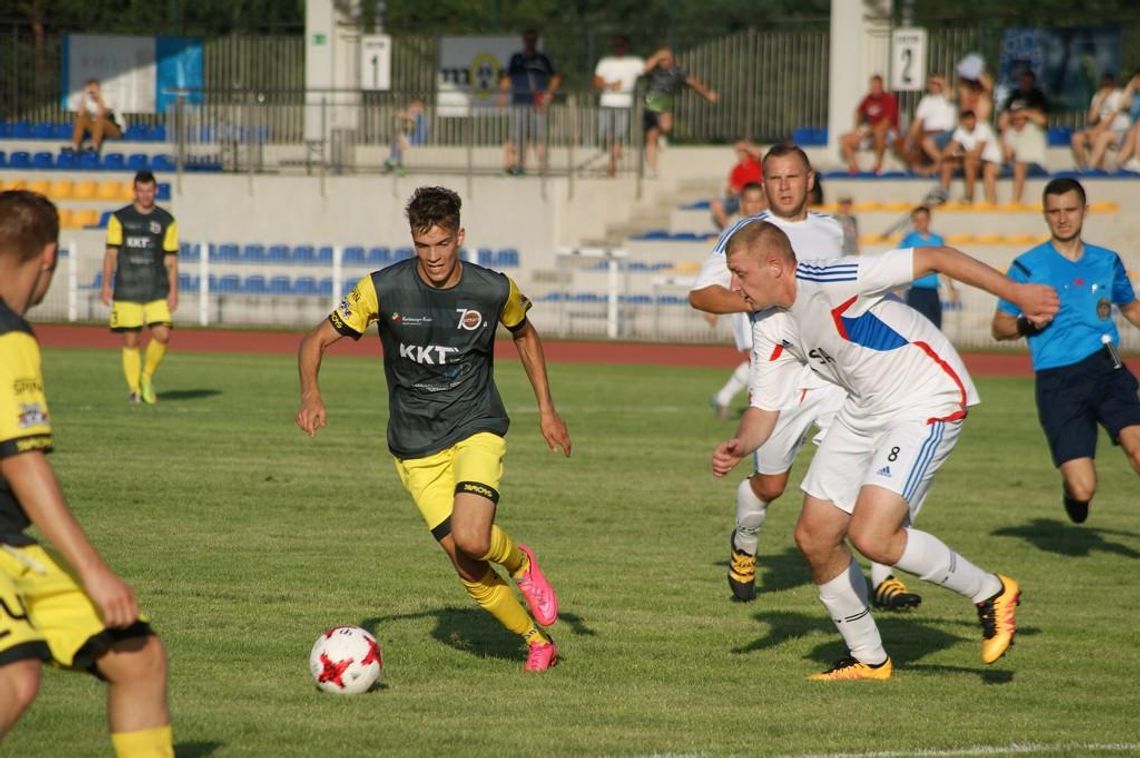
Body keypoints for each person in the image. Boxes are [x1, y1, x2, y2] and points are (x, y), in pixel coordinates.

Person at [712, 220, 1059, 680]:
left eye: (739, 273)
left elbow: (936, 258)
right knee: (814, 537)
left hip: (925, 398)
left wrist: (1018, 294)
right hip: (864, 408)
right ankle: (869, 658)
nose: (733, 286)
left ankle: (992, 592)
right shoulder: (768, 323)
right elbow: (765, 409)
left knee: (873, 536)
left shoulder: (832, 280)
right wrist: (741, 443)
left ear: (775, 266)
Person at [296, 186, 571, 672]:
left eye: (442, 244)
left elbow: (524, 333)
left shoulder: (492, 289)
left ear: (459, 236)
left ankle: (522, 564)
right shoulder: (383, 288)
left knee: (472, 537)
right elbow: (315, 340)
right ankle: (536, 641)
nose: (434, 257)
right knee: (467, 563)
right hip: (414, 447)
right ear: (413, 241)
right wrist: (311, 393)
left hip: (475, 425)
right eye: (423, 246)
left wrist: (546, 409)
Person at [690, 144, 921, 612]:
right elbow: (701, 294)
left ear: (810, 179)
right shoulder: (747, 232)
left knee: (871, 466)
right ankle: (746, 538)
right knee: (770, 485)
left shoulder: (835, 229)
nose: (784, 186)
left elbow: (852, 286)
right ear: (764, 182)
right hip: (778, 377)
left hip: (834, 376)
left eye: (792, 177)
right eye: (774, 178)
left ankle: (885, 576)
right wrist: (758, 301)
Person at [0, 190, 172, 754]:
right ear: (49, 257)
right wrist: (95, 572)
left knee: (136, 655)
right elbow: (22, 461)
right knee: (14, 681)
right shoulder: (9, 336)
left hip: (12, 551)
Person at [992, 178, 1140, 524]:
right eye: (1054, 211)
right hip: (1057, 380)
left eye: (1070, 210)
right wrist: (1026, 325)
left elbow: (1130, 307)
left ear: (1084, 212)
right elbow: (999, 328)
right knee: (1083, 487)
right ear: (1045, 215)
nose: (1062, 218)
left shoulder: (1107, 262)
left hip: (1107, 365)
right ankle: (1073, 493)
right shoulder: (1028, 267)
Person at [100, 171, 179, 405]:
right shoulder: (120, 218)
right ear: (134, 191)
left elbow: (172, 260)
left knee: (162, 334)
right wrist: (106, 284)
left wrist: (174, 290)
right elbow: (111, 253)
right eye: (141, 190)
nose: (146, 195)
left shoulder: (166, 221)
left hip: (157, 287)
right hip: (128, 288)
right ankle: (134, 389)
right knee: (131, 341)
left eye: (150, 190)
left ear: (156, 191)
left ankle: (146, 377)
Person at [706, 182, 767, 420]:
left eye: (757, 201)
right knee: (757, 356)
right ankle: (757, 408)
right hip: (742, 304)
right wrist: (712, 306)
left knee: (762, 356)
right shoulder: (733, 232)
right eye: (748, 201)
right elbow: (719, 269)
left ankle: (725, 397)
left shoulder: (770, 230)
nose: (752, 206)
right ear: (742, 203)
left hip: (766, 300)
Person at [642, 48, 718, 177]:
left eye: (667, 59)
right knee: (650, 137)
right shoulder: (654, 69)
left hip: (665, 100)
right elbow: (643, 69)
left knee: (666, 126)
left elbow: (694, 82)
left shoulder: (678, 71)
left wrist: (707, 93)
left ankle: (661, 135)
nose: (664, 62)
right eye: (662, 59)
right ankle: (652, 168)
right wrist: (657, 56)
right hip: (651, 100)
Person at [498, 29, 560, 176]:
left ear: (536, 41)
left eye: (533, 39)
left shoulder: (543, 59)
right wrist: (502, 95)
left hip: (537, 104)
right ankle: (516, 166)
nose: (530, 42)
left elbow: (555, 77)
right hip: (519, 102)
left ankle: (543, 167)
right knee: (516, 136)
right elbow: (507, 78)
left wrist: (549, 94)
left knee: (538, 136)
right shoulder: (516, 58)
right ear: (524, 41)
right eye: (528, 39)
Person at [592, 35, 645, 178]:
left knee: (618, 136)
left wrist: (660, 55)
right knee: (604, 134)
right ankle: (611, 154)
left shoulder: (634, 62)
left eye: (622, 45)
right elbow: (596, 81)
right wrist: (610, 85)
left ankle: (612, 164)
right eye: (617, 45)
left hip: (624, 105)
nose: (619, 48)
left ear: (627, 47)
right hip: (607, 103)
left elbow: (647, 67)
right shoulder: (606, 62)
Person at [900, 206, 958, 328]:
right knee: (918, 329)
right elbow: (900, 264)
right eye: (917, 220)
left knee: (936, 328)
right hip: (915, 290)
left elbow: (944, 266)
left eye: (923, 219)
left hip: (933, 291)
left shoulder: (937, 240)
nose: (920, 223)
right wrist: (898, 289)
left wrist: (950, 288)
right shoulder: (909, 239)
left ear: (929, 220)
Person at [997, 69, 1049, 203]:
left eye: (1021, 115)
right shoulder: (1010, 132)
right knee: (991, 168)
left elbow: (1042, 120)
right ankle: (992, 202)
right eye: (1016, 115)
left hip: (1036, 165)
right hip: (1017, 166)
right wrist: (1003, 137)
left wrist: (1025, 112)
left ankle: (1015, 201)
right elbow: (1006, 156)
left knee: (1020, 165)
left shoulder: (1034, 127)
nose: (1018, 118)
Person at [894, 74, 957, 176]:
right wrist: (910, 139)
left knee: (925, 141)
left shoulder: (947, 98)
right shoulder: (926, 100)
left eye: (936, 83)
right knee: (900, 143)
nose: (933, 85)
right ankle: (920, 167)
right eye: (931, 83)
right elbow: (917, 122)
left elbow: (949, 92)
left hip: (945, 133)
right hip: (927, 132)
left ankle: (942, 163)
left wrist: (943, 82)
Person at [839, 75, 899, 175]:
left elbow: (886, 124)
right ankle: (853, 166)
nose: (875, 89)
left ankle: (878, 164)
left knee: (879, 132)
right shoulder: (868, 98)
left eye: (877, 86)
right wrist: (857, 129)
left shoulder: (888, 99)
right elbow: (858, 111)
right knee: (844, 139)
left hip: (889, 134)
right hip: (871, 132)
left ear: (882, 86)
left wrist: (866, 132)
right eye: (873, 86)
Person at [938, 110, 1001, 205]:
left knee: (969, 162)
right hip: (973, 160)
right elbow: (948, 150)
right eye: (966, 120)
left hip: (989, 161)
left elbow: (977, 153)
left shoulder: (983, 128)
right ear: (962, 122)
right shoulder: (960, 130)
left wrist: (958, 153)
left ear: (975, 120)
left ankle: (969, 197)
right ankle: (942, 196)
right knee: (947, 164)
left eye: (971, 119)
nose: (969, 122)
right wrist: (947, 155)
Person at [1071, 73, 1130, 170]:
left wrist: (1094, 131)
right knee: (1077, 138)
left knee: (1100, 137)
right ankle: (1083, 166)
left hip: (1118, 131)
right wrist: (1099, 101)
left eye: (1108, 85)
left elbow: (1111, 119)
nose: (1106, 88)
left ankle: (1091, 168)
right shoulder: (1097, 96)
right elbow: (1091, 119)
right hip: (1102, 129)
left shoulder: (1118, 96)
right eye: (1104, 85)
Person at [710, 141, 765, 230]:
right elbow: (729, 188)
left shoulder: (755, 162)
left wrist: (745, 146)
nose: (740, 154)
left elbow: (759, 153)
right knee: (716, 205)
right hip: (739, 196)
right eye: (739, 152)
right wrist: (730, 191)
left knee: (748, 200)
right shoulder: (736, 169)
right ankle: (727, 230)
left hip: (756, 195)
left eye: (742, 152)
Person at [69, 79, 124, 155]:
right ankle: (74, 146)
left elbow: (102, 113)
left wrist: (98, 98)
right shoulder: (88, 99)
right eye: (90, 89)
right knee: (81, 119)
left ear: (99, 88)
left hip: (114, 129)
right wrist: (84, 96)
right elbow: (80, 113)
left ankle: (94, 146)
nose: (92, 91)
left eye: (94, 88)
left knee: (100, 119)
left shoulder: (108, 97)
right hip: (97, 129)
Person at [382, 96, 428, 176]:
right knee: (397, 140)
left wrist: (398, 113)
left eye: (414, 106)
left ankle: (395, 162)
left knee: (398, 139)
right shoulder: (417, 117)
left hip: (416, 140)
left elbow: (407, 116)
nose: (412, 108)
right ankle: (396, 162)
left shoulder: (420, 116)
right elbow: (408, 119)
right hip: (412, 139)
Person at [1114, 70, 1140, 172]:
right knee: (1133, 131)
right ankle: (1120, 164)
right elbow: (1121, 105)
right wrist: (1130, 86)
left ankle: (1138, 159)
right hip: (1133, 130)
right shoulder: (1135, 97)